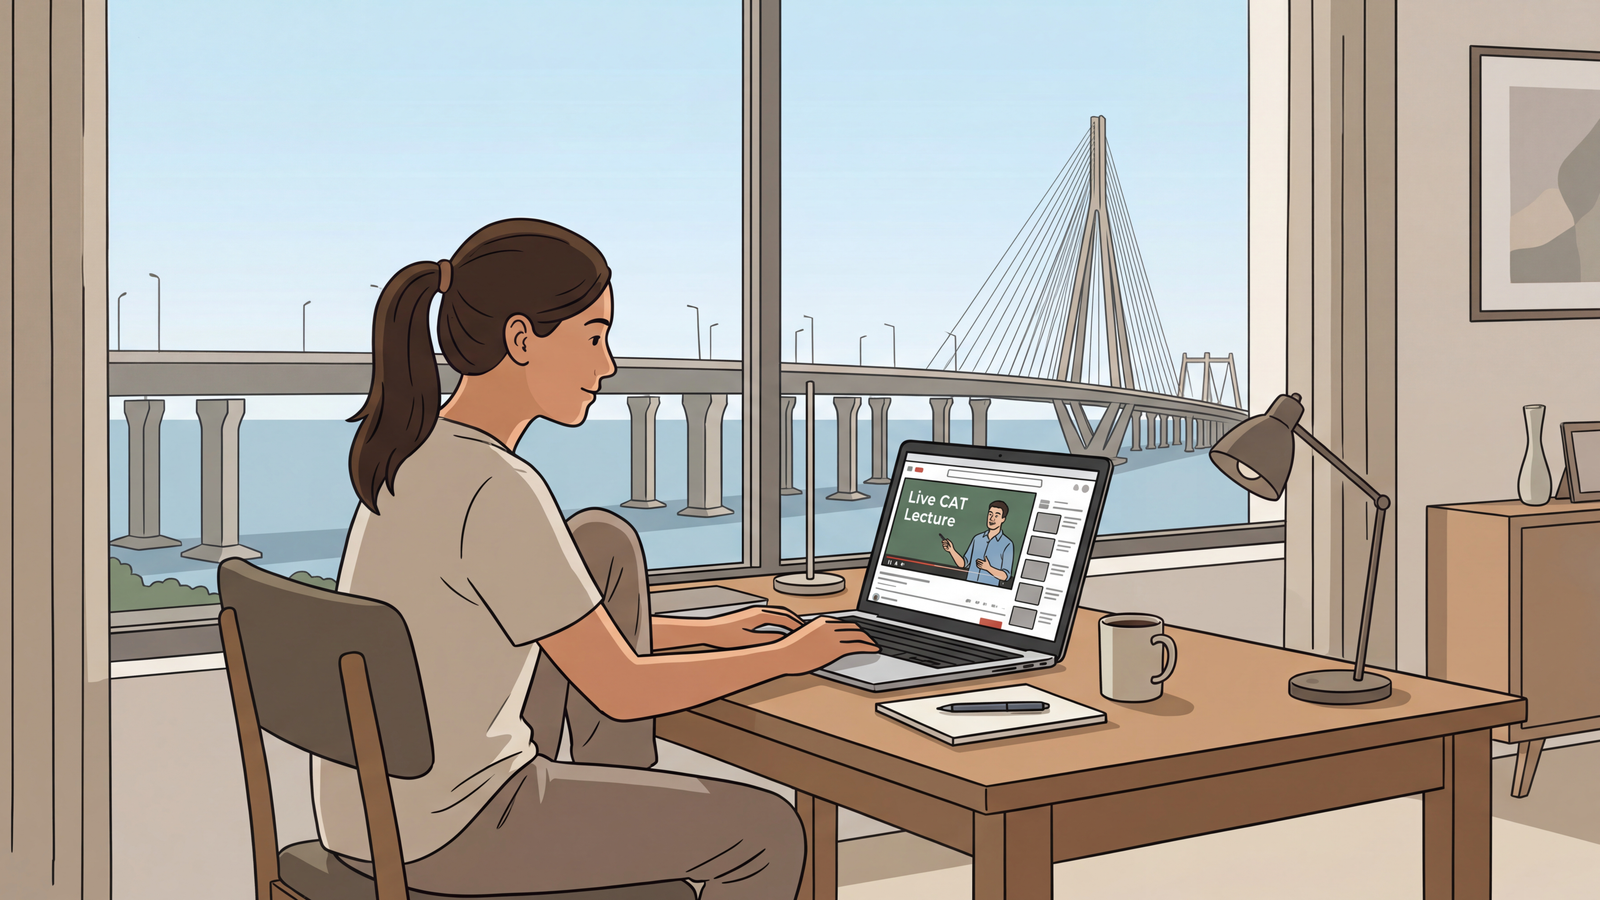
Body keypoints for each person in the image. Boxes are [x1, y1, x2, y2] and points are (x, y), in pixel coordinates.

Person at [320, 218, 876, 898]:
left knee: (600, 543)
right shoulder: (497, 489)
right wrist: (793, 655)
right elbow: (621, 687)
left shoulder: (416, 452)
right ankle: (635, 827)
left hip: (375, 819)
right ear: (522, 339)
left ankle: (627, 793)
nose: (607, 364)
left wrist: (705, 633)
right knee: (767, 833)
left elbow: (538, 631)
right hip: (451, 831)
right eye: (593, 336)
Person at [939, 500, 1013, 586]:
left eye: (996, 515)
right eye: (990, 514)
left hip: (988, 591)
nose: (992, 518)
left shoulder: (1007, 544)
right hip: (968, 587)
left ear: (1003, 519)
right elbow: (963, 564)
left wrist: (988, 568)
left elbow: (1005, 576)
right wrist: (951, 550)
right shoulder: (977, 539)